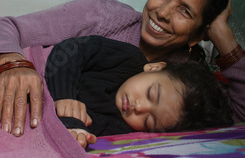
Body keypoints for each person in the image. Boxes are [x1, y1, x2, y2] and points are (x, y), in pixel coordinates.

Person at [0, 0, 245, 137]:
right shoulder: (103, 14)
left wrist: (224, 37)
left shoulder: (187, 83)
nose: (163, 12)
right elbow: (5, 28)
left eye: (185, 11)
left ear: (199, 34)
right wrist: (14, 62)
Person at [45, 35, 233, 148]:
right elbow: (72, 50)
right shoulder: (129, 59)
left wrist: (75, 128)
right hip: (36, 68)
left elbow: (77, 126)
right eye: (151, 94)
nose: (139, 107)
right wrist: (64, 96)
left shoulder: (121, 127)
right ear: (155, 68)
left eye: (148, 120)